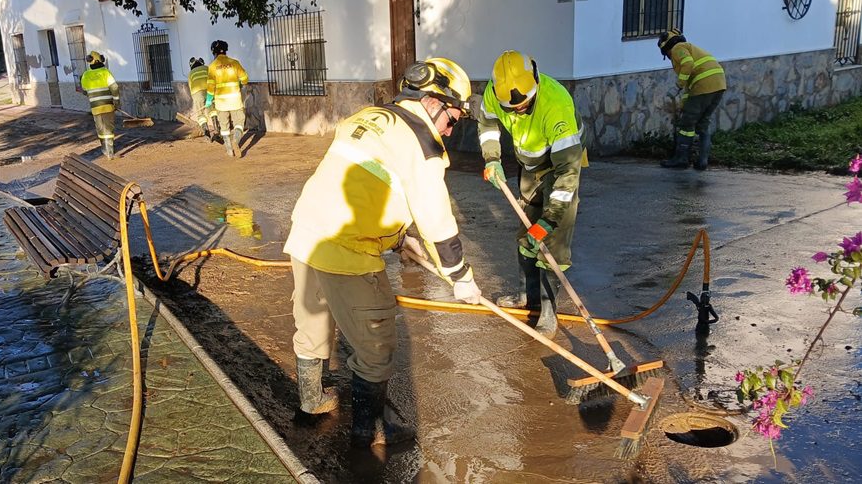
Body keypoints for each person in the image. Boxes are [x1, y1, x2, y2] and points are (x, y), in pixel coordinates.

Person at [283, 57, 482, 448]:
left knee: (312, 322)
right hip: (346, 249)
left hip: (306, 232)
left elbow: (372, 187)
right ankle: (367, 433)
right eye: (453, 118)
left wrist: (397, 239)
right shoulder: (421, 144)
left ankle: (310, 402)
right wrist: (461, 277)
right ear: (432, 101)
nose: (451, 128)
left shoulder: (371, 117)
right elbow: (436, 218)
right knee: (376, 346)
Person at [476, 50, 586, 338]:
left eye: (524, 106)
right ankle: (529, 296)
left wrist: (550, 220)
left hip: (560, 163)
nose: (518, 112)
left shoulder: (556, 106)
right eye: (512, 109)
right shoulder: (495, 90)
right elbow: (487, 123)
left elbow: (567, 175)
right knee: (526, 231)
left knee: (553, 239)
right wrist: (492, 158)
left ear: (535, 82)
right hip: (530, 164)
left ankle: (549, 311)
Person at [657, 29, 726, 170]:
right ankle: (702, 162)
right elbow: (690, 85)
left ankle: (681, 159)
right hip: (718, 85)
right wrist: (683, 104)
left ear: (667, 48)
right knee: (703, 124)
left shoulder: (678, 48)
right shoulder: (691, 49)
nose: (670, 58)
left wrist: (677, 86)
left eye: (667, 55)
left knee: (686, 124)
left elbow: (688, 65)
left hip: (704, 85)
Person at [206, 40, 249, 156]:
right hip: (235, 100)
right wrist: (240, 83)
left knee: (224, 127)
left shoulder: (212, 67)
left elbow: (210, 87)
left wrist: (208, 100)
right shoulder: (235, 63)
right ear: (225, 51)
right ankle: (236, 141)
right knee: (239, 122)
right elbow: (245, 79)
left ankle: (230, 150)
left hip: (221, 103)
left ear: (214, 53)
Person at [80, 51, 120, 159]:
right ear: (101, 59)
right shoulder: (105, 72)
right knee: (109, 129)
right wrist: (116, 101)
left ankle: (104, 150)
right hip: (108, 105)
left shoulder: (86, 75)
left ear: (89, 61)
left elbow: (84, 90)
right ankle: (110, 152)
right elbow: (114, 87)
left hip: (95, 107)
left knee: (100, 129)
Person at [187, 57, 211, 138]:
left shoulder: (190, 73)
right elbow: (212, 79)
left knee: (200, 114)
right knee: (212, 110)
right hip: (209, 90)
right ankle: (217, 127)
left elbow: (190, 87)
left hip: (196, 93)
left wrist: (194, 98)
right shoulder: (207, 68)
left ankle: (206, 132)